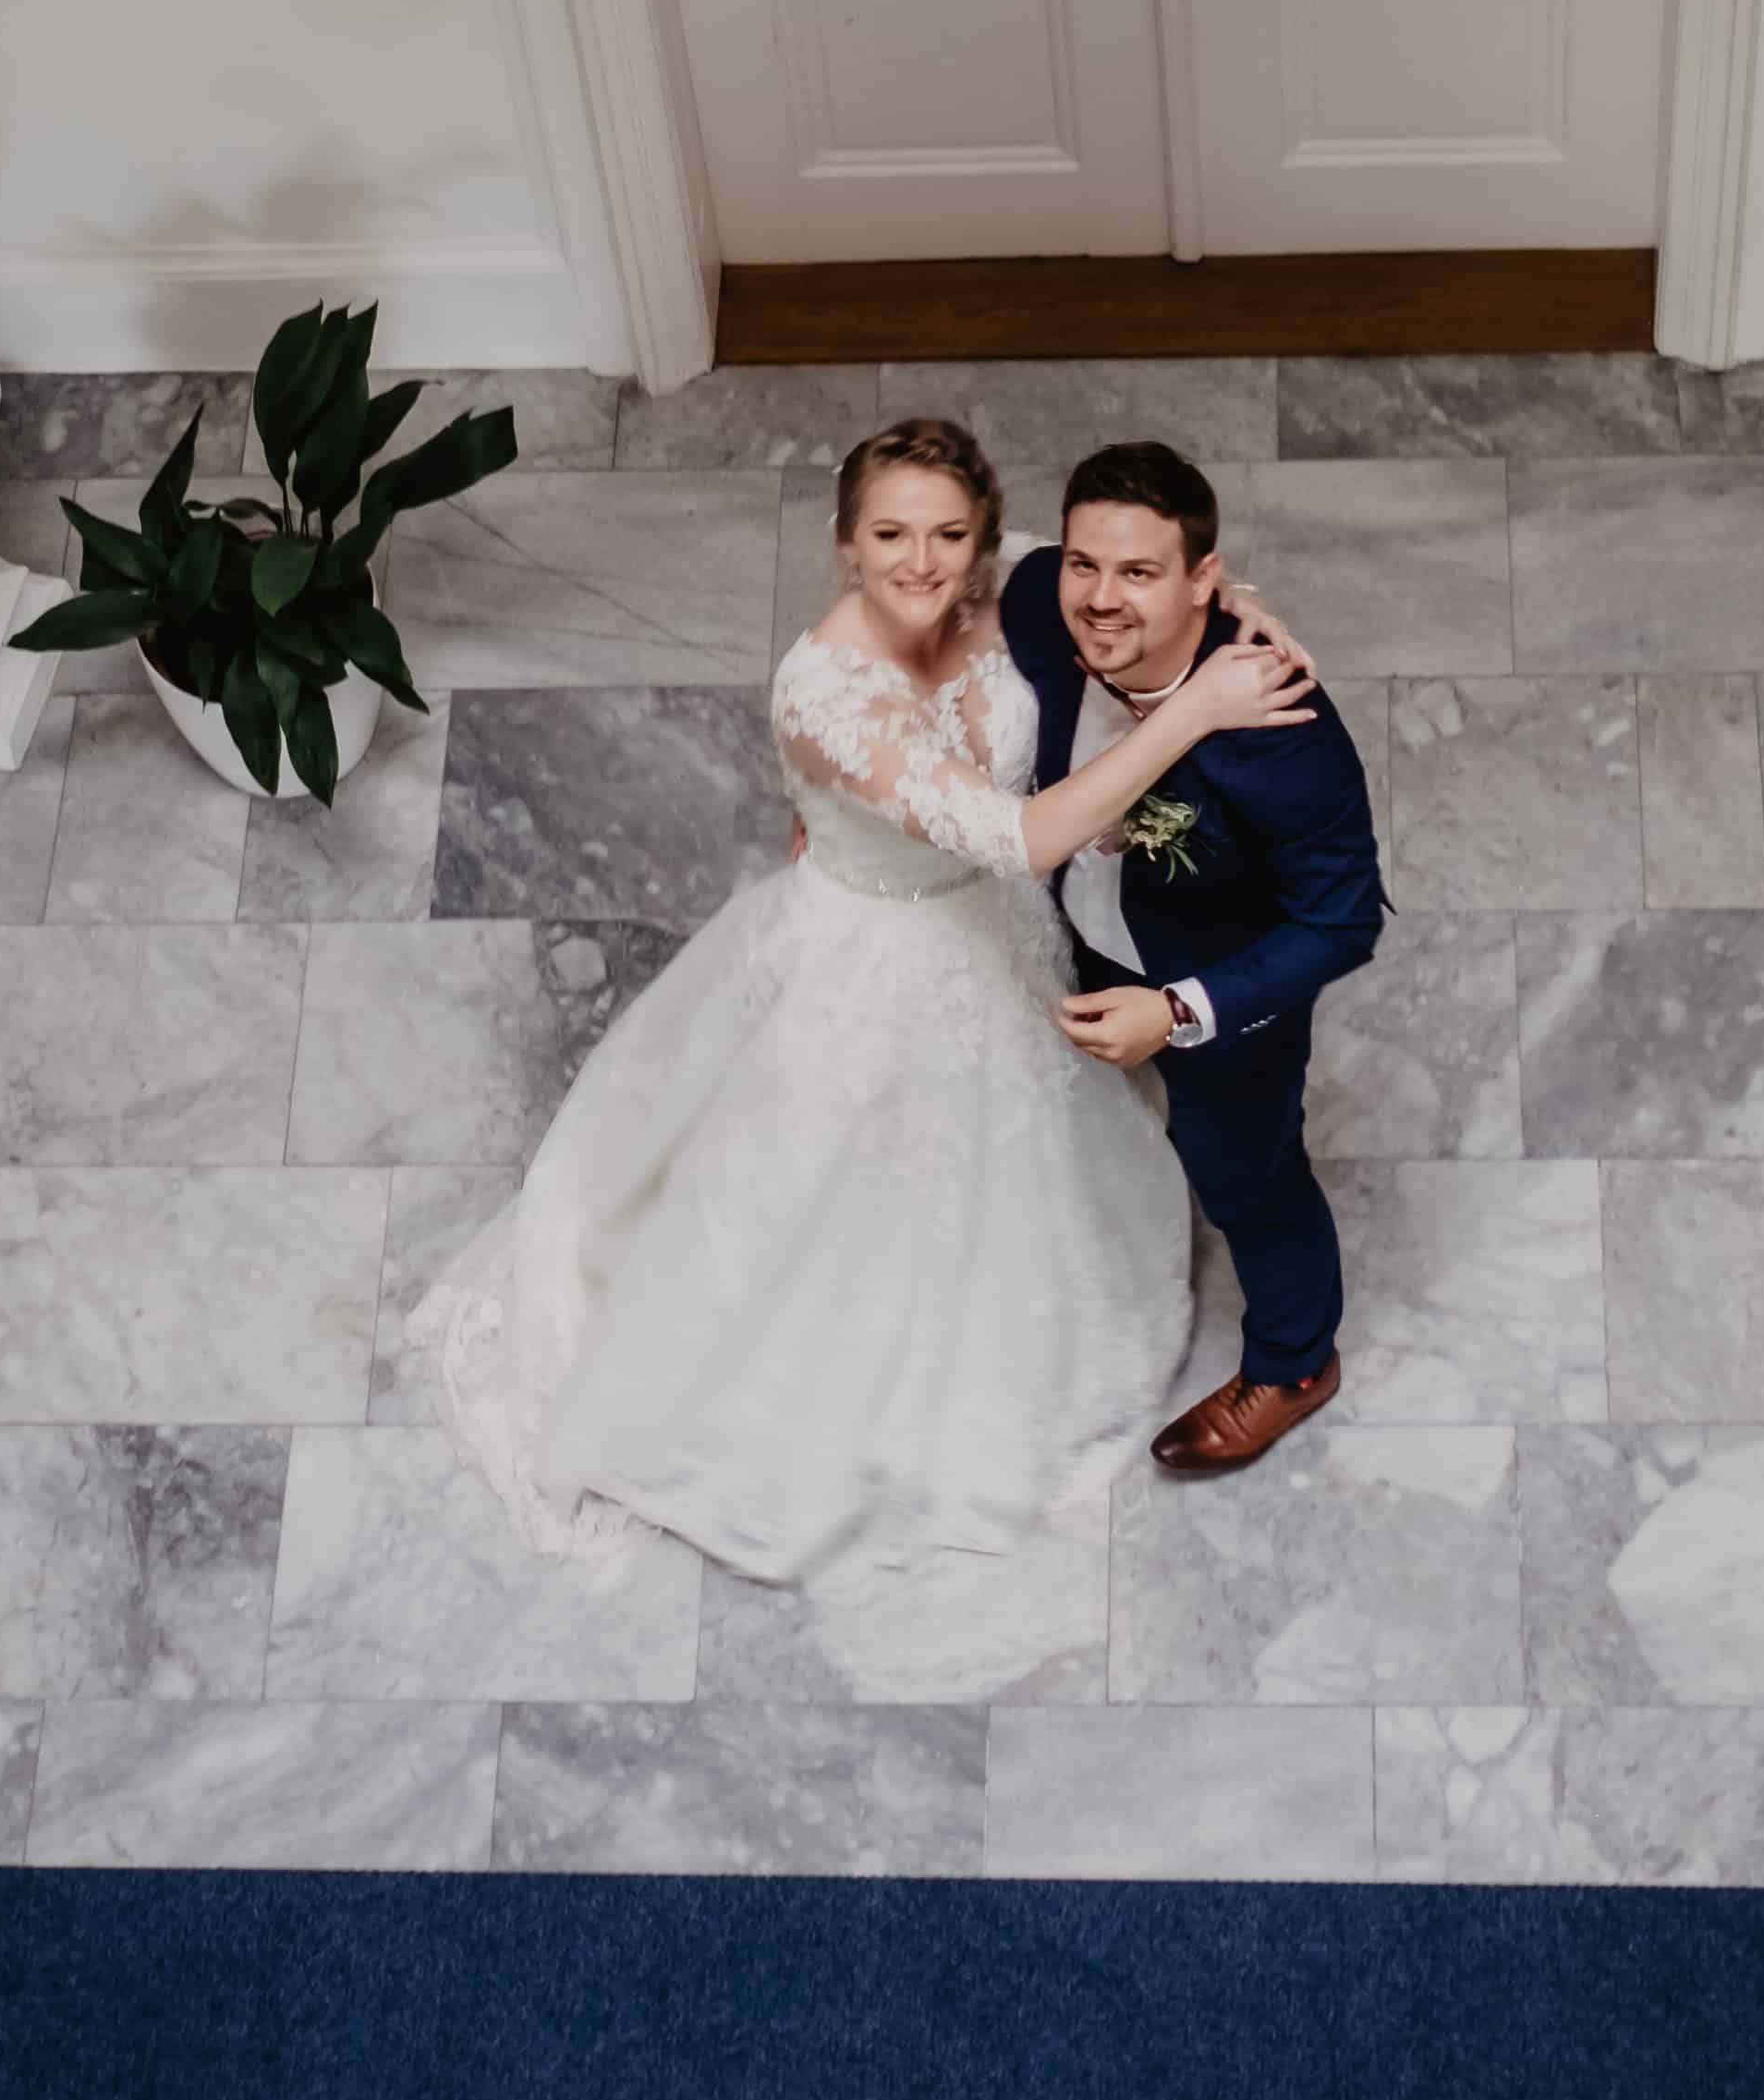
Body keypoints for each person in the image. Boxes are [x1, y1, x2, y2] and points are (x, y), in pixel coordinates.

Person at [410, 419, 1322, 1579]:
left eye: (950, 533)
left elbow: (1110, 583)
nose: (922, 563)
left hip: (992, 939)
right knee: (839, 1185)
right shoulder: (826, 694)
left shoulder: (1012, 582)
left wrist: (1228, 607)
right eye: (890, 534)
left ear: (985, 535)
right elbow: (1017, 832)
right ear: (846, 542)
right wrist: (1196, 711)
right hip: (879, 951)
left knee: (1023, 1157)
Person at [995, 440, 1392, 1475]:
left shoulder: (1285, 732)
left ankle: (1297, 1360)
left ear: (1203, 579)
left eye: (1140, 572)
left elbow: (1344, 921)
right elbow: (974, 573)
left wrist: (1173, 1013)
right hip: (1061, 926)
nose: (1099, 599)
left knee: (1246, 1175)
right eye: (1089, 563)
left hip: (1209, 981)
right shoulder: (1042, 593)